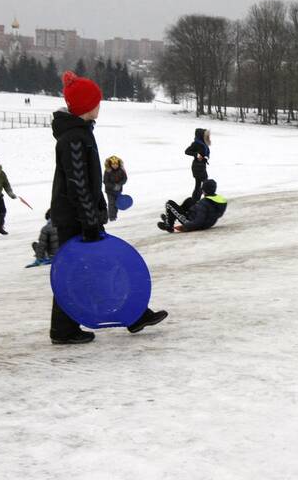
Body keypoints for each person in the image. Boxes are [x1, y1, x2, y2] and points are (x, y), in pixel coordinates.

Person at [49, 71, 167, 345]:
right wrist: (90, 222)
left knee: (95, 269)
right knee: (76, 273)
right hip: (76, 218)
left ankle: (134, 316)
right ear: (85, 106)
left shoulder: (79, 134)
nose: (99, 106)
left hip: (81, 216)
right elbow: (78, 184)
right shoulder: (74, 138)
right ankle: (64, 330)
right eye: (96, 102)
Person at [158, 179, 228, 232]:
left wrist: (184, 227)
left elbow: (198, 222)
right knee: (190, 200)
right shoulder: (219, 200)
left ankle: (168, 225)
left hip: (191, 223)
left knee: (169, 204)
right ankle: (170, 217)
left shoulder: (204, 203)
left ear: (205, 190)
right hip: (207, 222)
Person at [185, 128, 211, 200]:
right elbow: (187, 151)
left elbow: (206, 153)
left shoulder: (204, 143)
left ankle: (195, 201)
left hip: (201, 166)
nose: (207, 137)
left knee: (198, 185)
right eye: (204, 135)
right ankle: (207, 200)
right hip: (197, 166)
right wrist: (196, 154)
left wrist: (206, 157)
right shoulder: (196, 143)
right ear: (201, 135)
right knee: (206, 183)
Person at [103, 155, 128, 222]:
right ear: (110, 164)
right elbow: (105, 181)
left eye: (116, 164)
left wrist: (119, 184)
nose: (115, 165)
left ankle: (115, 215)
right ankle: (111, 217)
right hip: (110, 191)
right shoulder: (107, 171)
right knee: (111, 203)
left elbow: (124, 178)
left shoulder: (121, 170)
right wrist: (113, 186)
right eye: (113, 164)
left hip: (118, 190)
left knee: (116, 203)